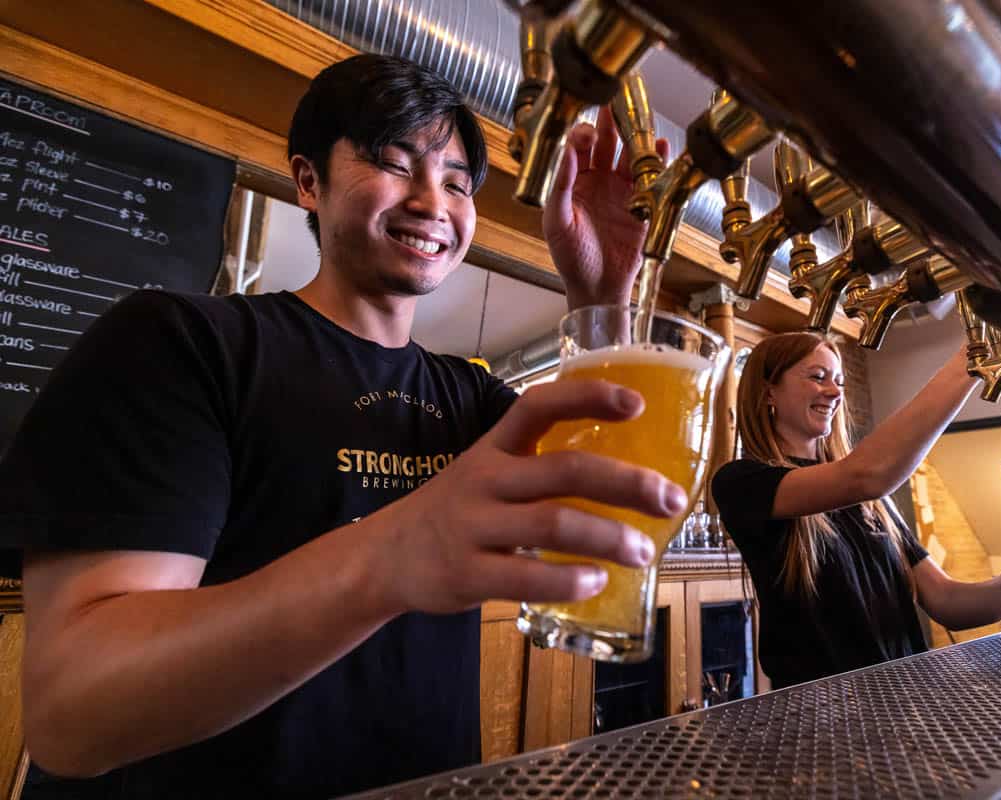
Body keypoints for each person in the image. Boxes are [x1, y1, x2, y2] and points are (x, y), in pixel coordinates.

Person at [0, 54, 674, 799]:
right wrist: (393, 550)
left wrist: (602, 291)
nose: (432, 200)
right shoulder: (182, 344)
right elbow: (74, 709)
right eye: (394, 162)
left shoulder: (474, 401)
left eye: (456, 181)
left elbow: (618, 510)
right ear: (309, 182)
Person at [711, 332, 1001, 690]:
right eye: (817, 377)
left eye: (840, 382)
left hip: (902, 701)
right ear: (768, 393)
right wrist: (973, 356)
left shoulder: (868, 502)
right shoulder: (742, 482)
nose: (834, 391)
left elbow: (946, 601)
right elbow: (866, 474)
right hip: (821, 718)